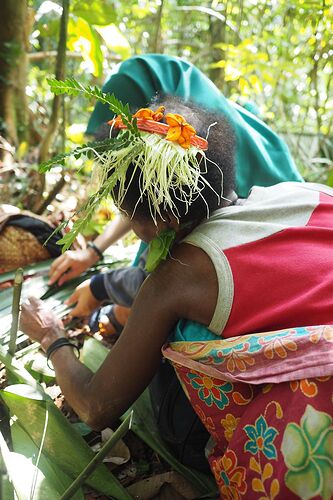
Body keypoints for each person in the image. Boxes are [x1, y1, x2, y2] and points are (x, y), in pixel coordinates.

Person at [21, 98, 333, 498]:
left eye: (128, 214)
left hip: (306, 436)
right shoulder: (304, 191)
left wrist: (51, 337)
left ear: (164, 221)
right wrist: (101, 287)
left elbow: (96, 407)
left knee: (173, 350)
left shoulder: (173, 281)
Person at [49, 53, 302, 288]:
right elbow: (143, 199)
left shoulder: (195, 139)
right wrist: (94, 251)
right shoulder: (179, 128)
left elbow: (180, 274)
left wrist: (117, 299)